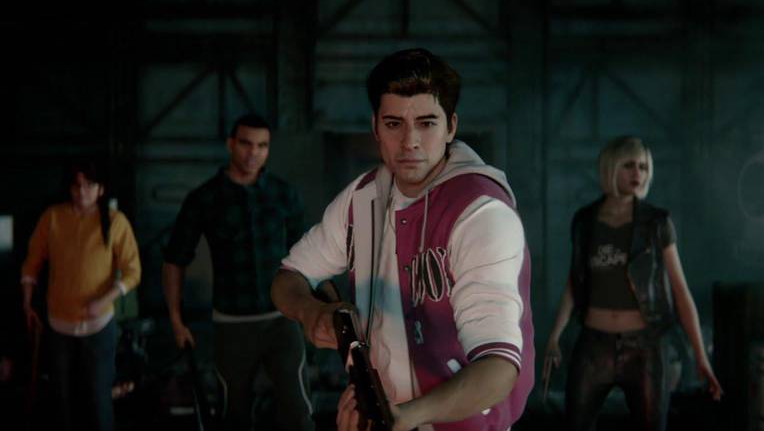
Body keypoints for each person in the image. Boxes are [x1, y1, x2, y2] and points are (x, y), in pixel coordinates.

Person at [271, 48, 534, 431]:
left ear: (451, 127)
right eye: (394, 123)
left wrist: (403, 416)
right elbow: (288, 278)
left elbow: (499, 368)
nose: (410, 141)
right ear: (376, 127)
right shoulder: (361, 198)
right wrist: (311, 313)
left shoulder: (481, 212)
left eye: (426, 123)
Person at [542, 136, 723, 431]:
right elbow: (574, 285)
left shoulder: (657, 223)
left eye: (643, 166)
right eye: (629, 165)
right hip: (594, 345)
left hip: (645, 346)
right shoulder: (585, 221)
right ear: (611, 168)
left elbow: (680, 291)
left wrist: (701, 357)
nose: (637, 173)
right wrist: (554, 336)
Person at [162, 113, 312, 431]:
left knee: (298, 413)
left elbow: (308, 255)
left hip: (282, 320)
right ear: (231, 144)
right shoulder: (204, 198)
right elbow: (175, 259)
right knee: (234, 415)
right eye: (246, 143)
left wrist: (310, 308)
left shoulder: (283, 194)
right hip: (232, 325)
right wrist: (176, 320)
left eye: (262, 145)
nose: (253, 153)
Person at [20, 159, 141, 431]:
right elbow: (31, 263)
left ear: (101, 189)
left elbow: (133, 270)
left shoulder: (115, 221)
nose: (82, 191)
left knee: (98, 402)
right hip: (58, 325)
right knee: (61, 402)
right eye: (77, 185)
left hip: (99, 327)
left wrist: (106, 299)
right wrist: (27, 301)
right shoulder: (52, 217)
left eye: (89, 185)